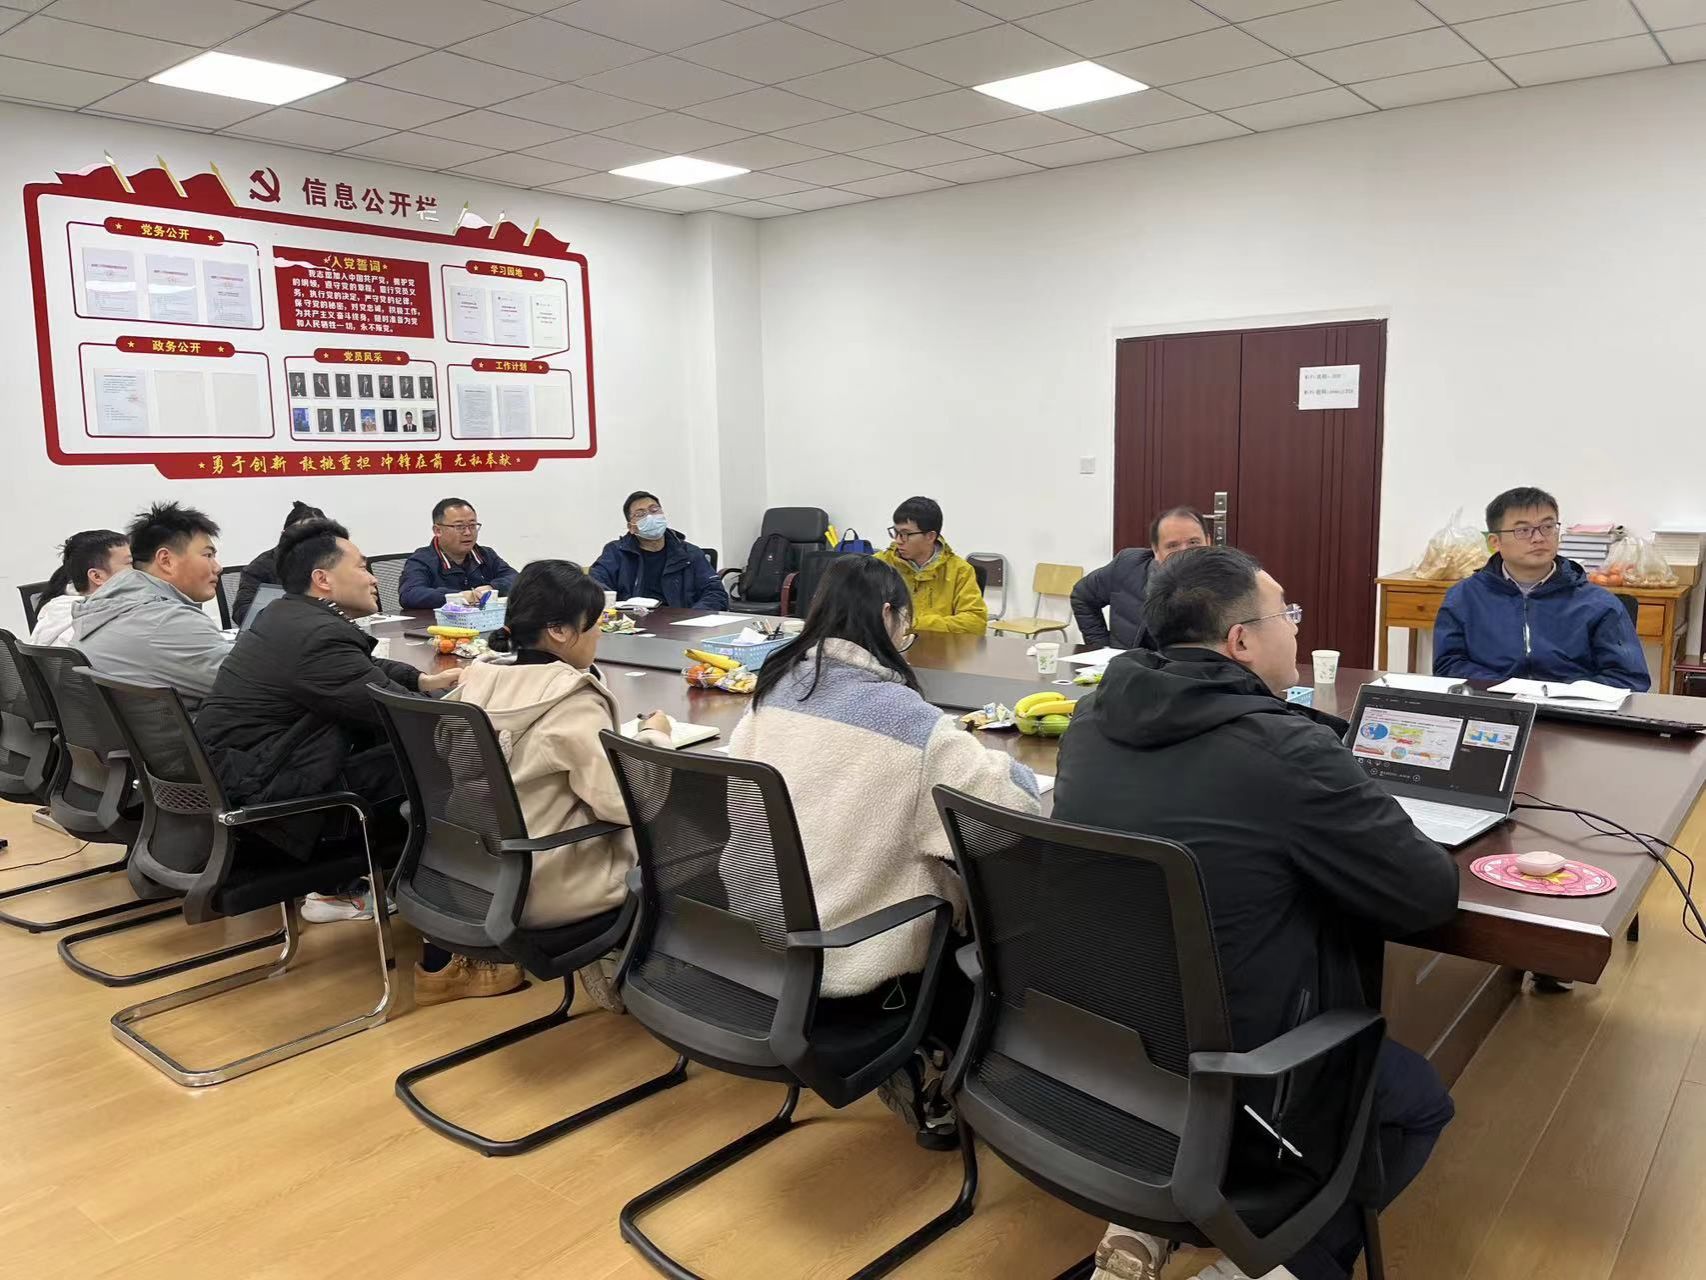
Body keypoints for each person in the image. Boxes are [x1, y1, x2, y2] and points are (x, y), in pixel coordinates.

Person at [1054, 546, 1459, 1280]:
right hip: (1248, 1071)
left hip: (1109, 1045)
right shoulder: (1286, 749)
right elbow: (1426, 894)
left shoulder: (1090, 721)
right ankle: (1274, 1265)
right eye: (1286, 613)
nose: (1297, 628)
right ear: (1240, 640)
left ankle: (1157, 1205)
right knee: (1420, 1103)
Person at [729, 554, 1039, 1141]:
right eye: (907, 628)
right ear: (889, 616)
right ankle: (937, 1064)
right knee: (983, 904)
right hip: (852, 955)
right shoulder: (910, 723)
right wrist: (1011, 766)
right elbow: (1008, 813)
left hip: (760, 933)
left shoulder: (772, 692)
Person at [421, 561, 676, 1005]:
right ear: (559, 631)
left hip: (472, 873)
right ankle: (649, 978)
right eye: (595, 625)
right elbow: (624, 805)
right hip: (549, 886)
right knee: (690, 832)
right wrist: (656, 738)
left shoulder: (477, 680)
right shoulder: (568, 700)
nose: (600, 635)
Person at [196, 518, 462, 923]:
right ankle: (447, 905)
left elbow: (359, 668)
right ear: (322, 579)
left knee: (409, 748)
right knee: (451, 759)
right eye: (362, 567)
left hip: (248, 779)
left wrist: (421, 680)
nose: (373, 578)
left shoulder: (285, 615)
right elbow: (406, 718)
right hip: (278, 809)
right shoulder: (317, 636)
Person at [1434, 486, 1649, 691]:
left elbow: (1628, 677)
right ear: (1495, 542)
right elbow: (1448, 666)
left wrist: (1564, 694)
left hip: (1571, 710)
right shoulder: (1463, 598)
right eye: (1523, 530)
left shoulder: (1599, 604)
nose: (1538, 538)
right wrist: (1508, 688)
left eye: (1547, 527)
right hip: (1493, 706)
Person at [73, 503, 232, 711]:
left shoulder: (107, 606)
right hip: (187, 731)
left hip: (134, 730)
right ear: (166, 560)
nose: (218, 567)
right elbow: (253, 683)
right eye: (208, 555)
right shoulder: (168, 620)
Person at [1071, 506, 1209, 650]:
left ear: (1208, 542)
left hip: (1192, 663)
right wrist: (1101, 649)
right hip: (1131, 660)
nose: (1185, 552)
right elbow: (1082, 596)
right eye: (1172, 545)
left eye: (1194, 542)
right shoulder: (1127, 566)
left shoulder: (1223, 577)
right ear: (1156, 550)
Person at [588, 491, 727, 610]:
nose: (650, 517)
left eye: (654, 510)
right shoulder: (616, 552)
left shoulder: (690, 554)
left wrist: (692, 618)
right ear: (631, 527)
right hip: (632, 624)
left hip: (681, 625)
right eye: (640, 514)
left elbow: (715, 593)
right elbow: (595, 587)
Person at [874, 496, 987, 635]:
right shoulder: (879, 565)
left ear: (930, 536)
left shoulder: (960, 570)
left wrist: (913, 624)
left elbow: (975, 622)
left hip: (940, 647)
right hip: (888, 646)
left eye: (905, 534)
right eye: (896, 532)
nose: (898, 540)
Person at [398, 498, 518, 609]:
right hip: (440, 623)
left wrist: (492, 587)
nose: (468, 532)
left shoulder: (485, 554)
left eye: (472, 525)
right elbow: (409, 594)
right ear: (438, 530)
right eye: (459, 526)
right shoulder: (421, 560)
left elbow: (516, 579)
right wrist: (459, 596)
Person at [29, 529, 130, 646]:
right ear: (97, 576)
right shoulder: (91, 628)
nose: (139, 570)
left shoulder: (61, 609)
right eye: (130, 563)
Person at [231, 500, 324, 626]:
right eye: (301, 534)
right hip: (281, 630)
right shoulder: (261, 567)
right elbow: (243, 612)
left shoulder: (336, 563)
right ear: (284, 535)